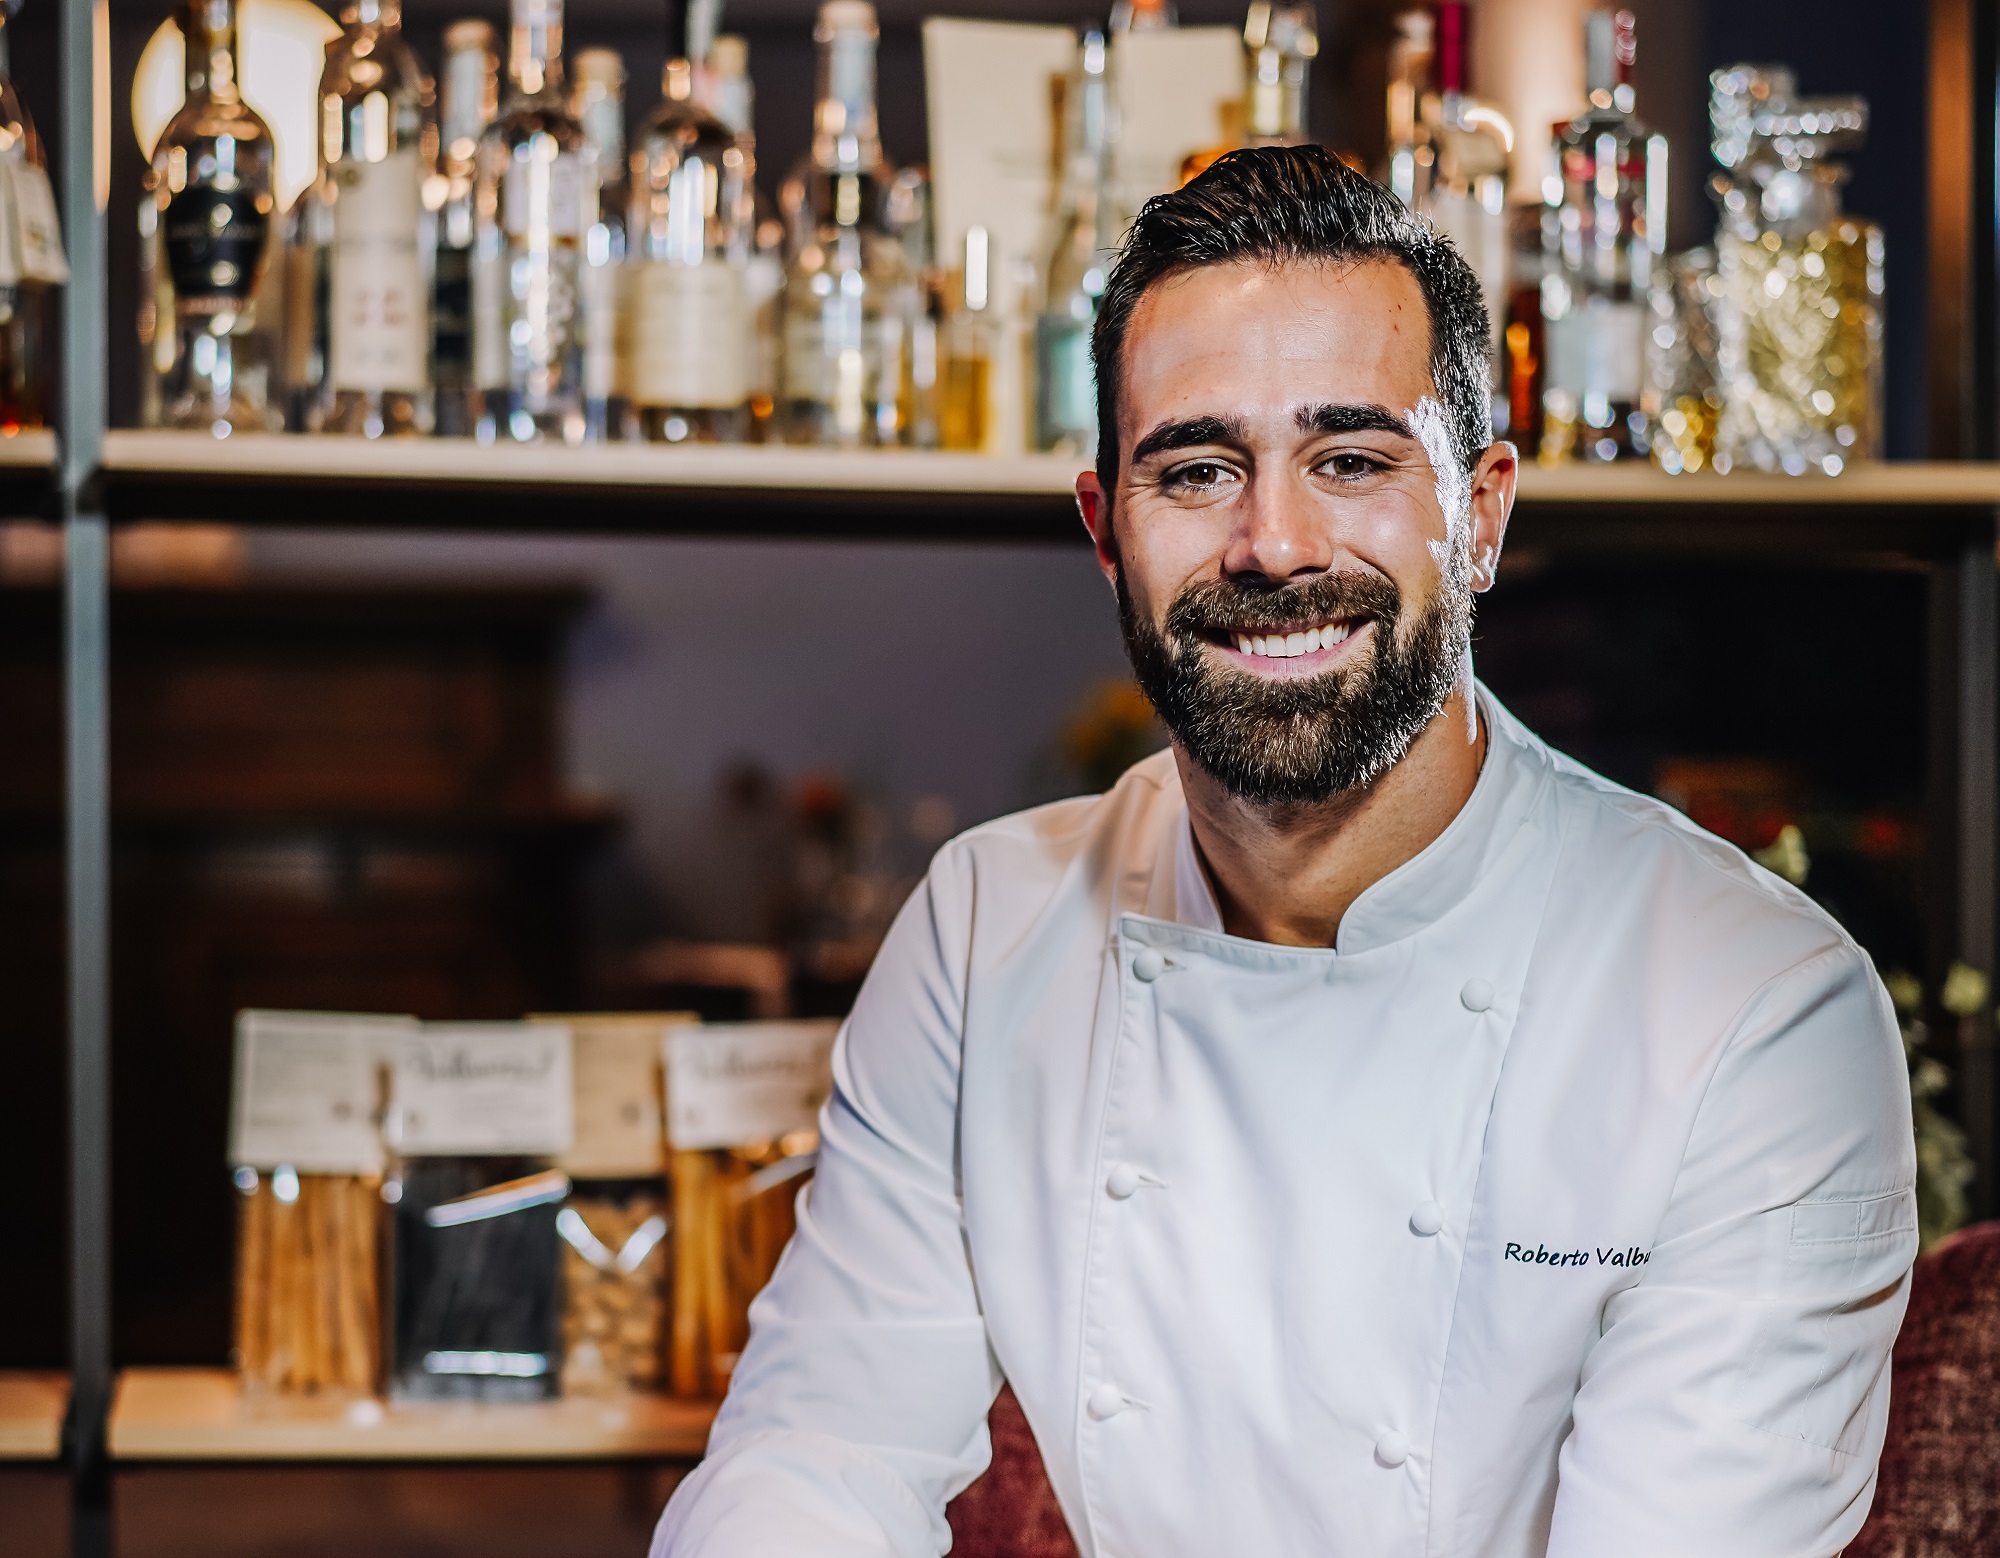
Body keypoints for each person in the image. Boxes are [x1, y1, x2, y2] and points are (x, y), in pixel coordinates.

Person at [654, 145, 1916, 1557]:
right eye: (1197, 470)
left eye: (1353, 460)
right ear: (1106, 533)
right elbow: (818, 1454)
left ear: (1482, 513)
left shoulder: (1757, 1009)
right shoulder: (986, 928)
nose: (1274, 543)